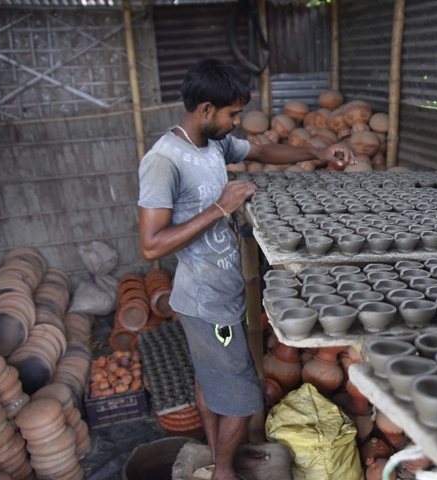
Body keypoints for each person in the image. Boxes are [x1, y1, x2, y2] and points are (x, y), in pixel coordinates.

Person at [137, 58, 355, 480]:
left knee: (211, 382)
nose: (238, 122)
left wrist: (316, 151)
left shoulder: (213, 144)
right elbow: (150, 245)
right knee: (240, 392)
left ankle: (224, 455)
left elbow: (260, 151)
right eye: (232, 114)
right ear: (204, 110)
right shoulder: (164, 161)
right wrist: (221, 207)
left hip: (220, 292)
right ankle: (223, 471)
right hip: (207, 302)